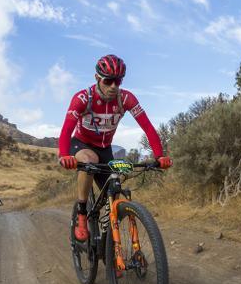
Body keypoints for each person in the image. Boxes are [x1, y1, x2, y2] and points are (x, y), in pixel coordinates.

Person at [57, 54, 172, 242]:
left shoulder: (126, 98)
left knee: (116, 196)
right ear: (97, 78)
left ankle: (109, 242)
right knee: (89, 160)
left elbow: (148, 128)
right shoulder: (83, 98)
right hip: (81, 144)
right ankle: (82, 213)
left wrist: (159, 156)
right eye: (108, 81)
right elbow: (66, 129)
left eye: (117, 82)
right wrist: (63, 155)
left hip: (105, 148)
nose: (113, 87)